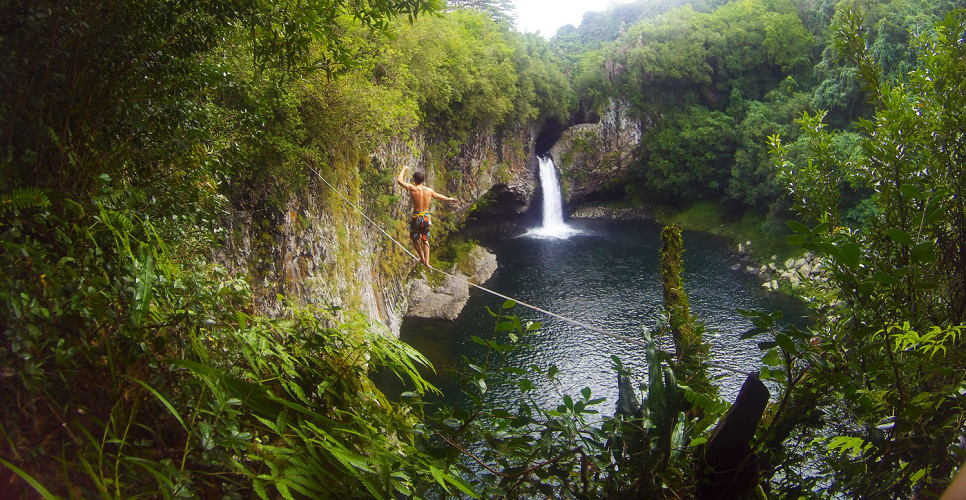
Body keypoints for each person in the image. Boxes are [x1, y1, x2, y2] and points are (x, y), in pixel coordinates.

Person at [396, 165, 458, 266]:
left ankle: (422, 258)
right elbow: (439, 196)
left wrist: (404, 169)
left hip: (416, 218)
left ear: (414, 180)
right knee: (425, 240)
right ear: (423, 180)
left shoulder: (413, 188)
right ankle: (427, 262)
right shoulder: (429, 190)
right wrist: (449, 198)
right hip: (426, 218)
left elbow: (399, 181)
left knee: (415, 239)